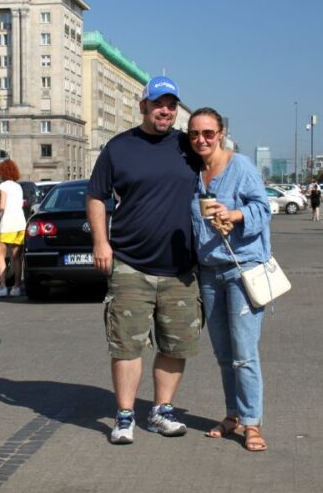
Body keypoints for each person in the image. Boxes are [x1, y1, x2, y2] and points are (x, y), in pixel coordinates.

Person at [87, 76, 202, 445]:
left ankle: (161, 411)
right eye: (158, 104)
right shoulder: (119, 148)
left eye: (171, 105)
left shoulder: (188, 146)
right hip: (130, 263)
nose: (164, 111)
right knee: (126, 344)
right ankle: (124, 417)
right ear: (144, 107)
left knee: (175, 345)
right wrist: (101, 242)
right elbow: (95, 196)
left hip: (180, 269)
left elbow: (219, 171)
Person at [187, 107, 272, 452]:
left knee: (244, 354)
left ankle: (252, 424)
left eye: (208, 133)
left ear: (221, 133)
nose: (201, 140)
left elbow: (264, 208)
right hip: (209, 273)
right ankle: (232, 414)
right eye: (194, 134)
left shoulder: (241, 166)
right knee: (224, 354)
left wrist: (235, 214)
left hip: (242, 271)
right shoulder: (194, 172)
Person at [0, 159, 27, 297]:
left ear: (2, 172)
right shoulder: (18, 187)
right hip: (21, 224)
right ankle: (16, 287)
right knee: (17, 257)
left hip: (8, 224)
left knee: (1, 255)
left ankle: (3, 286)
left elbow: (2, 206)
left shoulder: (3, 186)